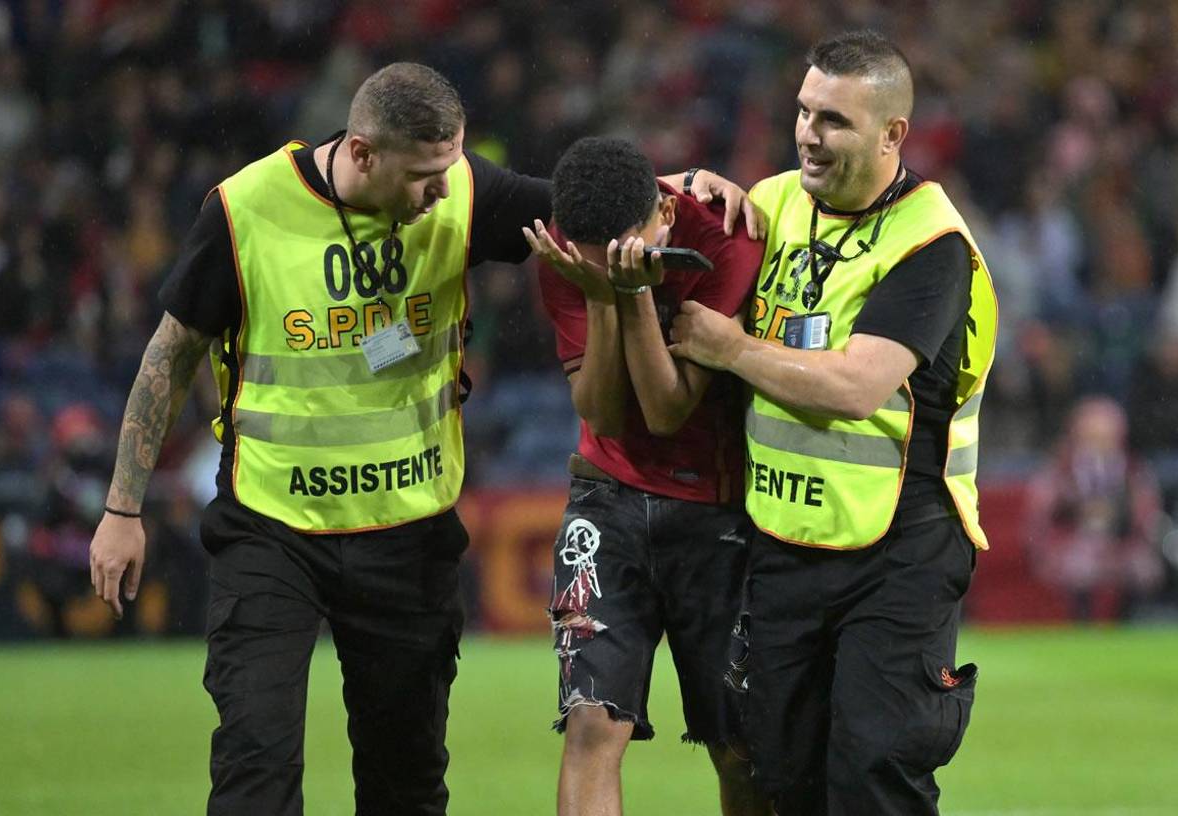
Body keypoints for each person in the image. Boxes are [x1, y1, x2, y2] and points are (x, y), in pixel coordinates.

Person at [86, 63, 758, 815]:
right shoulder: (246, 210)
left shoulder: (465, 190)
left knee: (405, 783)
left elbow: (589, 203)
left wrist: (684, 180)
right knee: (254, 766)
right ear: (365, 153)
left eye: (451, 168)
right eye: (424, 177)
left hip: (407, 538)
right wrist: (121, 507)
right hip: (273, 531)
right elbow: (170, 350)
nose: (443, 191)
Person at [667, 31, 999, 815]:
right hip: (784, 543)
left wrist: (730, 347)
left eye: (836, 121)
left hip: (901, 548)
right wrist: (686, 183)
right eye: (804, 112)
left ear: (893, 135)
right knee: (780, 776)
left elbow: (857, 387)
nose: (810, 135)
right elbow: (635, 203)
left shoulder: (931, 243)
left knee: (875, 772)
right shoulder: (774, 203)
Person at [522, 137, 768, 816]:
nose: (609, 265)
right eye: (591, 258)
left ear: (664, 208)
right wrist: (601, 297)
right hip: (606, 500)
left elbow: (665, 411)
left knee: (738, 742)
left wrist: (627, 297)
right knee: (591, 722)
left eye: (625, 249)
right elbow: (601, 411)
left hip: (716, 513)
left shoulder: (724, 241)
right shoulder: (568, 254)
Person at [1024, 396, 1164, 621]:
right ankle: (1081, 621)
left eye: (1106, 437)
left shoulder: (1133, 471)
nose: (1100, 444)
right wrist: (1078, 510)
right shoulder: (1060, 469)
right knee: (1080, 566)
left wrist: (1119, 515)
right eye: (1093, 437)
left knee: (1142, 567)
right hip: (1072, 540)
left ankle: (1126, 621)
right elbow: (1041, 514)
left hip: (1121, 542)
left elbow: (1147, 512)